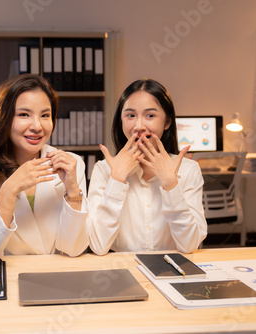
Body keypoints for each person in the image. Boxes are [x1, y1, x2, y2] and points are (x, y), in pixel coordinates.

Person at [0, 74, 89, 265]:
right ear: (4, 118)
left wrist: (72, 191)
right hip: (5, 276)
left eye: (45, 115)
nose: (37, 126)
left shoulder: (71, 164)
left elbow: (73, 250)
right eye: (24, 114)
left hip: (54, 275)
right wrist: (10, 189)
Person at [88, 78, 207, 255]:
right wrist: (117, 179)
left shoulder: (188, 170)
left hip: (172, 272)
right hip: (122, 273)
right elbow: (98, 246)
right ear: (120, 121)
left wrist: (170, 184)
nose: (139, 126)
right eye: (130, 115)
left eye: (150, 115)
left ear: (167, 122)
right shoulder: (104, 169)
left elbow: (189, 245)